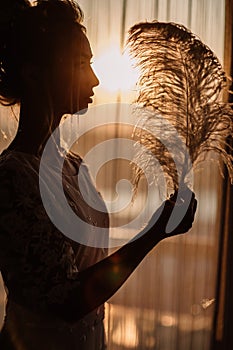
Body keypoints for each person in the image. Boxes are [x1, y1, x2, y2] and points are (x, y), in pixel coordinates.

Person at [0, 1, 197, 349]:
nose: (94, 78)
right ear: (33, 74)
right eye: (80, 65)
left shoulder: (75, 166)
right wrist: (153, 234)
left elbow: (85, 272)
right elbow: (66, 300)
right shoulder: (13, 178)